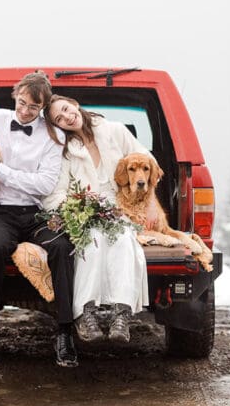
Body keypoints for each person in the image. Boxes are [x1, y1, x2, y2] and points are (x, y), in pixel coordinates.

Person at [0, 71, 78, 368]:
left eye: (34, 107)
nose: (25, 111)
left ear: (43, 108)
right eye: (22, 102)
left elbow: (44, 185)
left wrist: (0, 171)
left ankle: (65, 332)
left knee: (61, 247)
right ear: (15, 95)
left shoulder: (53, 136)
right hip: (2, 210)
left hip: (39, 213)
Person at [42, 95, 152, 343]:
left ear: (75, 103)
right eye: (59, 119)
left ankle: (121, 313)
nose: (67, 117)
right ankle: (85, 313)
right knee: (91, 241)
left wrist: (141, 199)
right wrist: (75, 206)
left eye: (66, 109)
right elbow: (54, 194)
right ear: (58, 127)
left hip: (121, 206)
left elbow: (147, 160)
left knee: (124, 240)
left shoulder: (115, 131)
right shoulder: (65, 153)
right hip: (84, 210)